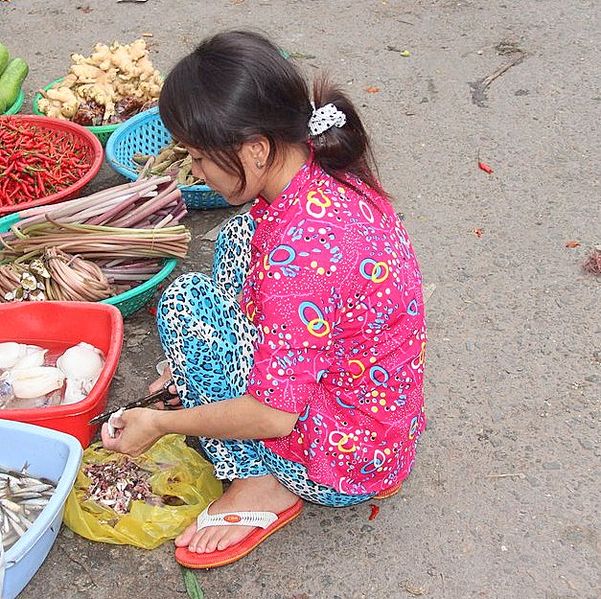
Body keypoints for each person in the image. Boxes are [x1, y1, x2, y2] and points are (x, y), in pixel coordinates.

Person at [102, 29, 427, 569]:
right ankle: (216, 384)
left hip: (345, 459)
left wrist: (159, 424)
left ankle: (261, 479)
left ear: (255, 149)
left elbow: (275, 416)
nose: (195, 171)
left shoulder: (300, 257)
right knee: (238, 235)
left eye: (201, 157)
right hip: (379, 415)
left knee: (185, 303)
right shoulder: (322, 170)